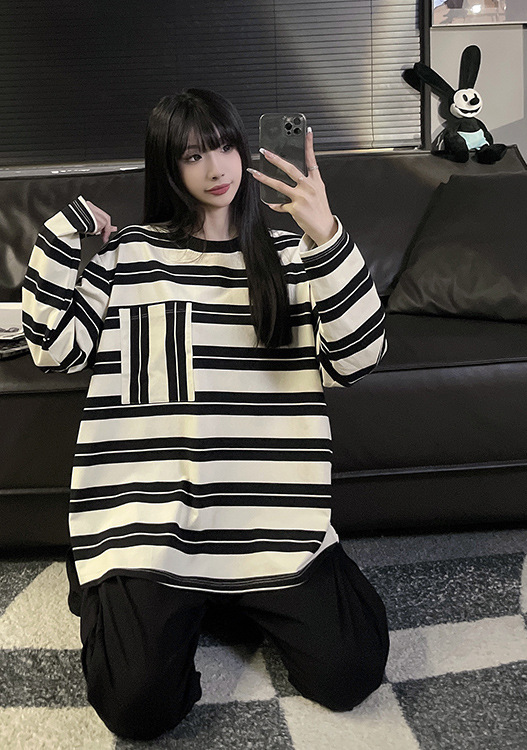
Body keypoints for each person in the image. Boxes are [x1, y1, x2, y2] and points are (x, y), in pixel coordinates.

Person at [22, 88, 389, 741]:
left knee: (350, 672)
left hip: (269, 518)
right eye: (193, 155)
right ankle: (155, 596)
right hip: (151, 522)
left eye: (224, 147)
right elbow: (54, 350)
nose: (216, 168)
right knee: (137, 709)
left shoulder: (292, 255)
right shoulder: (130, 253)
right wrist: (65, 232)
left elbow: (358, 359)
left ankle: (216, 600)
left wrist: (328, 234)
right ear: (169, 167)